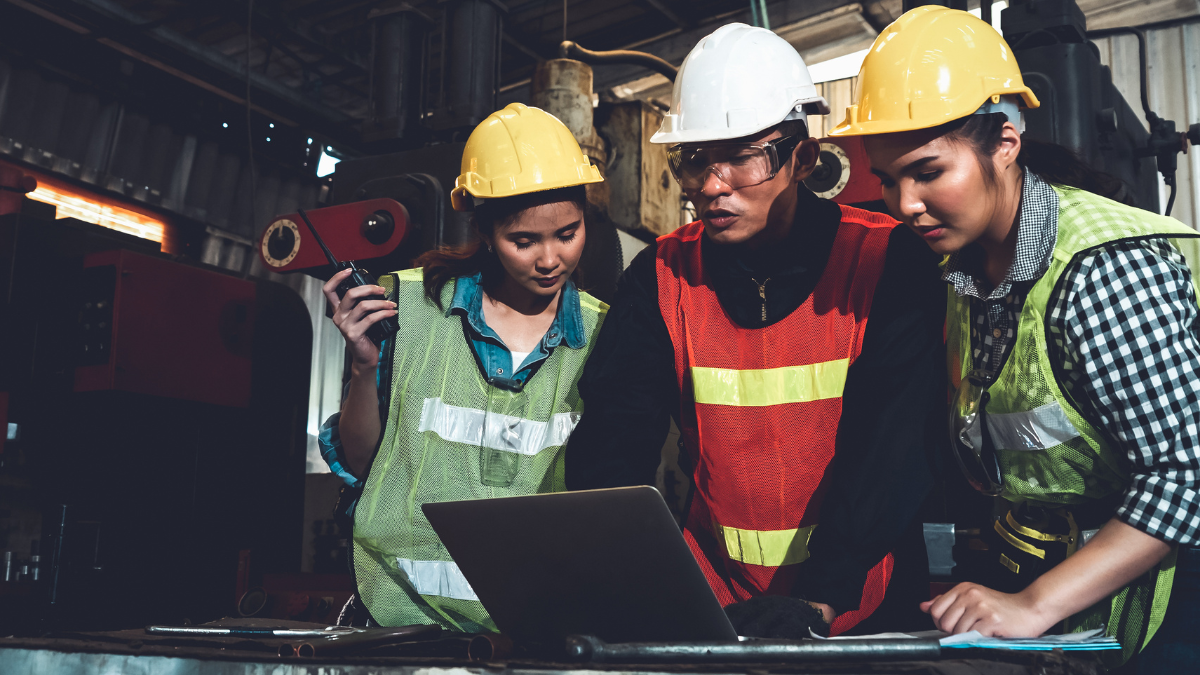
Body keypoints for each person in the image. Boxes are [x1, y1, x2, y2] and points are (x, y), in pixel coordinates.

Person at [830, 5, 1200, 670]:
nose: (904, 203)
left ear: (1004, 141)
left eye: (928, 171)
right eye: (888, 179)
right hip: (1070, 595)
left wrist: (1032, 602)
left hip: (1172, 599)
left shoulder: (1102, 268)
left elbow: (1184, 474)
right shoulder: (960, 271)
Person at [565, 22, 946, 637]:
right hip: (715, 601)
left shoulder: (885, 261)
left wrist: (822, 597)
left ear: (803, 158)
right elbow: (613, 447)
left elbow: (895, 448)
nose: (711, 187)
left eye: (741, 158)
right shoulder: (660, 276)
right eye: (694, 161)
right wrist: (632, 587)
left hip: (864, 603)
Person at [317, 103, 608, 632]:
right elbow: (365, 466)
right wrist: (364, 369)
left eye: (567, 233)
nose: (549, 260)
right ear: (482, 227)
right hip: (402, 621)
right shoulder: (411, 308)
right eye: (524, 241)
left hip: (537, 628)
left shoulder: (602, 336)